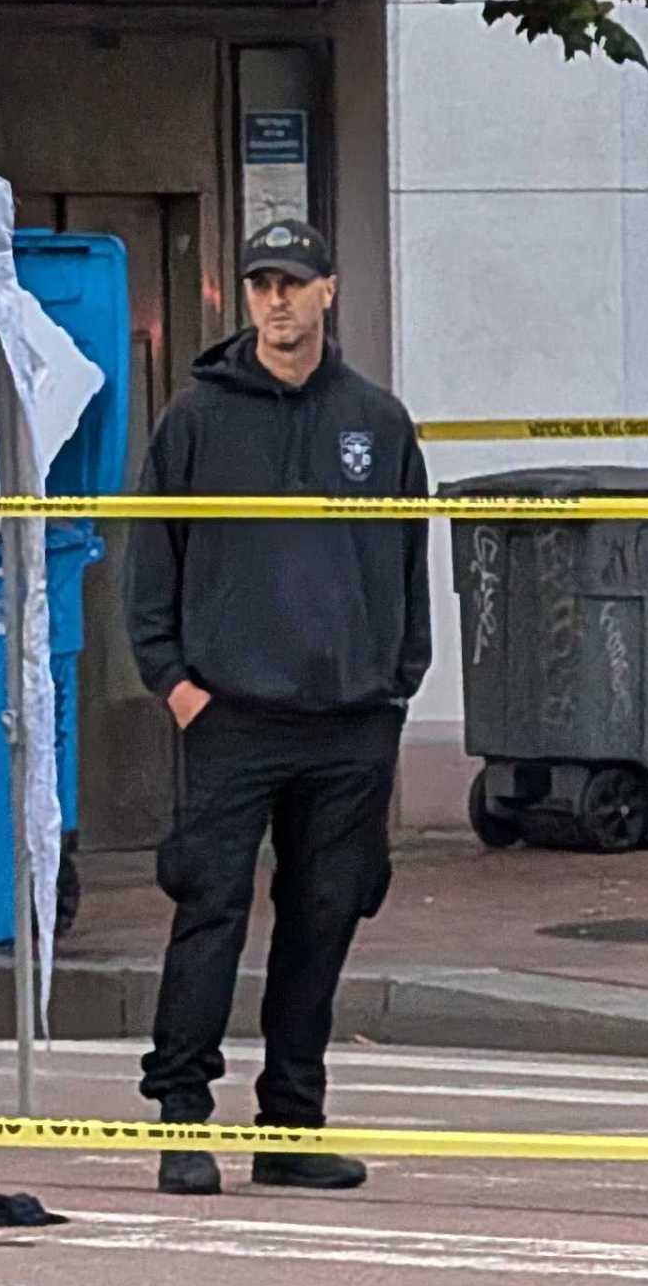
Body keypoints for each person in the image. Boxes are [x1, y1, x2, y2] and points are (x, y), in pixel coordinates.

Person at [125, 220, 431, 1197]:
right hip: (232, 717)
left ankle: (291, 1122)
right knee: (208, 912)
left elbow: (409, 563)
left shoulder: (378, 423)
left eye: (294, 282)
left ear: (330, 291)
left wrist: (396, 684)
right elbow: (150, 561)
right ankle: (182, 1116)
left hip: (348, 720)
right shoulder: (197, 420)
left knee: (322, 919)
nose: (278, 301)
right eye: (262, 283)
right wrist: (176, 686)